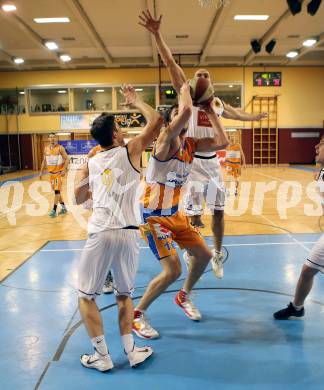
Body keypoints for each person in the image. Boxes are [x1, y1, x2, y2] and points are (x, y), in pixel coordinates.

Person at [139, 10, 267, 279]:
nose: (201, 76)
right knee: (195, 216)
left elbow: (238, 114)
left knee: (219, 211)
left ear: (210, 85)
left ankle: (218, 252)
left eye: (205, 75)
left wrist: (255, 116)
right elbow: (171, 63)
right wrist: (157, 35)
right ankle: (192, 249)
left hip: (213, 163)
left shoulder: (217, 104)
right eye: (197, 75)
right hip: (192, 160)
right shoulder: (188, 101)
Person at [74, 85, 163, 371]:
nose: (122, 129)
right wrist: (136, 101)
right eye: (119, 127)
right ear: (114, 134)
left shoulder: (91, 161)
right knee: (124, 295)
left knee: (86, 297)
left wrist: (84, 176)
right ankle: (132, 352)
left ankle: (102, 357)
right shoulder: (131, 151)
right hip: (127, 233)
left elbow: (78, 198)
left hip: (100, 232)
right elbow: (156, 122)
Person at [132, 81, 228, 340]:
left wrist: (209, 112)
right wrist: (184, 87)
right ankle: (137, 315)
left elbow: (223, 141)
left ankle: (183, 296)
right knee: (172, 270)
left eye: (182, 113)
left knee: (205, 256)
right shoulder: (164, 141)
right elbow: (185, 112)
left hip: (175, 213)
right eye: (176, 114)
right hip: (152, 217)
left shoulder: (192, 145)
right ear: (168, 123)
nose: (183, 115)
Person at [273, 139, 324, 320]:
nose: (316, 147)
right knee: (307, 271)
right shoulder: (321, 173)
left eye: (321, 144)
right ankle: (297, 307)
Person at [87, 144, 114, 294]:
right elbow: (88, 178)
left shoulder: (123, 150)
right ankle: (106, 275)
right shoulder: (94, 153)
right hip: (102, 203)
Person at [39, 133, 68, 217]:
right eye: (50, 137)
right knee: (57, 192)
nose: (52, 139)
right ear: (48, 139)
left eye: (54, 137)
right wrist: (41, 172)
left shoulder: (60, 148)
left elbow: (67, 159)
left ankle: (54, 210)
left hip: (58, 174)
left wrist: (63, 170)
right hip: (51, 174)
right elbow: (44, 161)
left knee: (57, 192)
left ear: (56, 138)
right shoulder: (46, 149)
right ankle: (64, 208)